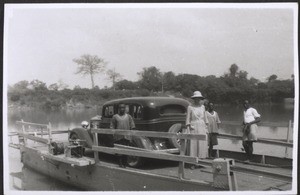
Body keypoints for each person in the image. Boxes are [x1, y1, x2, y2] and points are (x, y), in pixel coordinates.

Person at [186, 91, 208, 169]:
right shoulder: (190, 107)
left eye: (199, 98)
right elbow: (188, 119)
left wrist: (206, 128)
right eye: (196, 98)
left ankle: (199, 162)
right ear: (193, 99)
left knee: (201, 144)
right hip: (193, 127)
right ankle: (192, 163)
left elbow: (205, 118)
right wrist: (188, 130)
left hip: (201, 126)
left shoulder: (203, 107)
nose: (197, 100)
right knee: (193, 144)